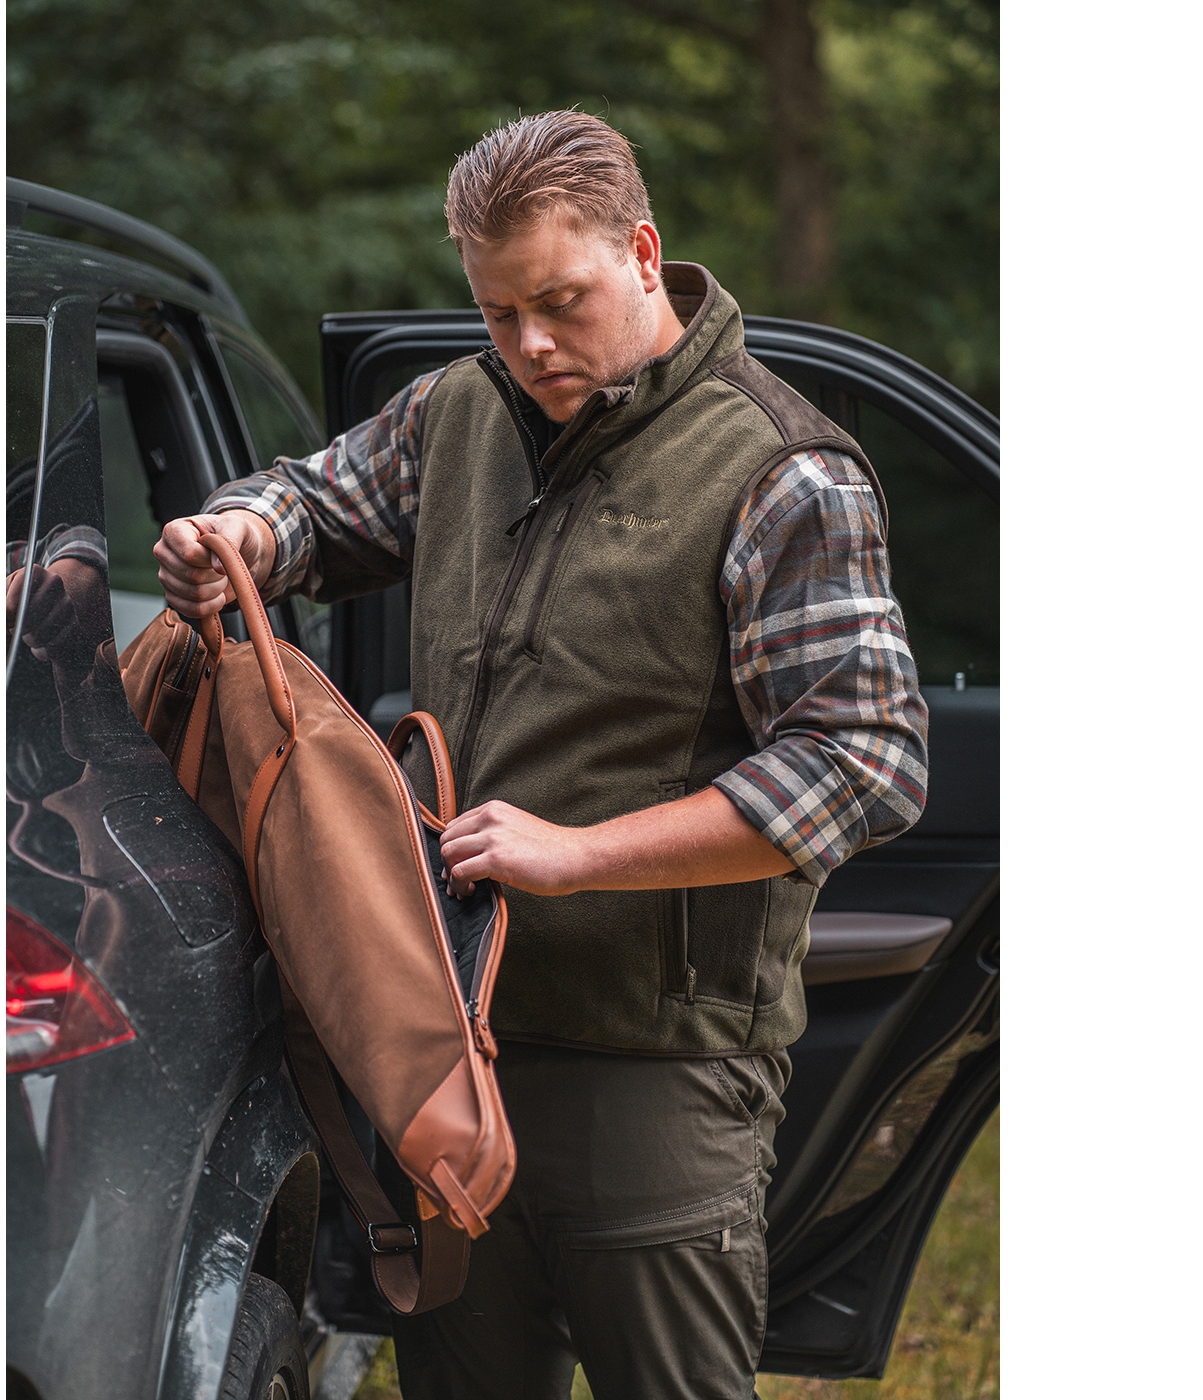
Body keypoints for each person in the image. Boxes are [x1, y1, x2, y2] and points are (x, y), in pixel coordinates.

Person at [155, 110, 928, 1400]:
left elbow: (863, 761)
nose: (530, 345)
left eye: (559, 302)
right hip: (440, 1044)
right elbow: (316, 504)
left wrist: (579, 856)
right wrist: (232, 532)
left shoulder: (783, 471)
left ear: (643, 252)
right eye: (498, 311)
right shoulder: (460, 409)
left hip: (654, 1071)